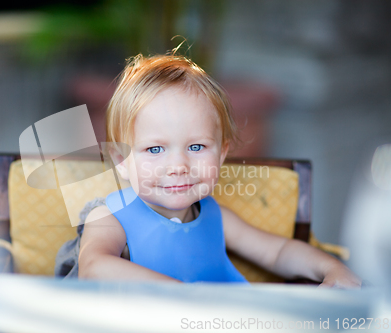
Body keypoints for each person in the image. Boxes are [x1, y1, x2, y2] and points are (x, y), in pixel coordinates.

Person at [76, 53, 361, 287]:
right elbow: (93, 266)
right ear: (121, 160)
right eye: (155, 149)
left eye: (197, 147)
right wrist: (182, 294)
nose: (178, 167)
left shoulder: (217, 217)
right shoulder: (111, 217)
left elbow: (279, 252)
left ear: (222, 153)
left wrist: (331, 268)